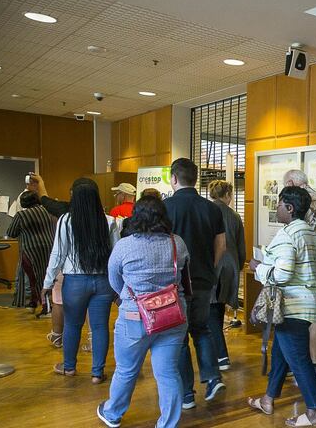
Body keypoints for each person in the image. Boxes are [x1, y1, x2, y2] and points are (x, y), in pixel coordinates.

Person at [97, 195, 191, 428]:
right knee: (168, 372)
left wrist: (131, 298)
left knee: (126, 370)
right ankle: (168, 424)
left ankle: (112, 414)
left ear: (135, 216)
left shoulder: (124, 245)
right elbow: (185, 272)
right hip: (173, 315)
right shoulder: (176, 242)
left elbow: (114, 281)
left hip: (134, 317)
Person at [246, 186, 316, 426]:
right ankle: (268, 399)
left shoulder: (288, 234)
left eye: (279, 204)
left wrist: (257, 267)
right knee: (280, 355)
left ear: (289, 208)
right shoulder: (308, 231)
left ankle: (314, 412)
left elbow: (282, 274)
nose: (276, 208)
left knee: (299, 360)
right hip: (305, 303)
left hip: (292, 306)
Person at [164, 158, 227, 409]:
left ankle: (187, 394)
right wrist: (209, 267)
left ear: (174, 178)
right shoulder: (212, 208)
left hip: (175, 283)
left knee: (178, 337)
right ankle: (212, 378)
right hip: (203, 279)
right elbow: (221, 245)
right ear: (196, 178)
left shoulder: (165, 207)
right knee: (201, 329)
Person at [42, 182, 119, 384]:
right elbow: (116, 256)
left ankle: (69, 368)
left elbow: (58, 254)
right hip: (103, 282)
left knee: (72, 325)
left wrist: (47, 282)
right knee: (100, 326)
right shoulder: (109, 221)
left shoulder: (66, 220)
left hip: (75, 282)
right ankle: (97, 373)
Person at [283, 169, 316, 379]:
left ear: (293, 183)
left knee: (296, 312)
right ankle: (313, 364)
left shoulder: (301, 201)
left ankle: (297, 364)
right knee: (314, 313)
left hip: (304, 258)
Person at [206, 180, 246, 372]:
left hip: (212, 267)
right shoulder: (235, 216)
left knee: (212, 311)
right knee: (218, 309)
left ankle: (220, 355)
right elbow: (241, 249)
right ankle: (218, 352)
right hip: (229, 268)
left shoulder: (206, 211)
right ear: (228, 195)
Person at [7, 191, 55, 311]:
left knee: (34, 279)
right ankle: (39, 302)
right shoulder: (48, 211)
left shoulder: (21, 215)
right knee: (47, 276)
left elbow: (11, 233)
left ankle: (44, 306)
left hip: (31, 250)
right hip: (49, 249)